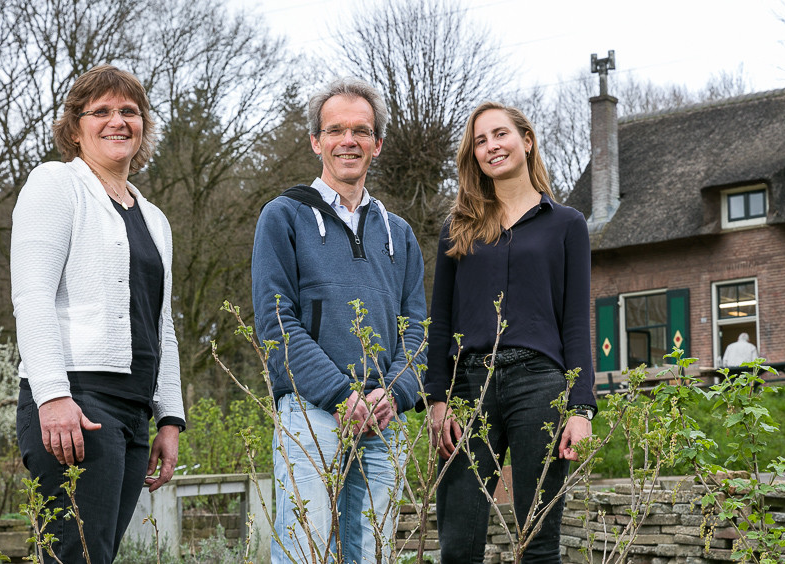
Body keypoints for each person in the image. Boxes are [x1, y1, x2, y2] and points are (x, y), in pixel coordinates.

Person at [11, 64, 185, 564]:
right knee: (74, 555)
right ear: (74, 128)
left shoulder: (154, 218)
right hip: (78, 403)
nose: (118, 121)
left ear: (144, 125)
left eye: (129, 111)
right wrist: (53, 397)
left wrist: (168, 418)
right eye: (102, 111)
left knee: (99, 555)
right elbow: (33, 295)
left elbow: (161, 324)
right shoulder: (55, 185)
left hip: (133, 413)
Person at [251, 77, 427, 564]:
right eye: (335, 130)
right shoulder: (283, 217)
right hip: (312, 413)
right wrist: (340, 395)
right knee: (306, 551)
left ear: (377, 143)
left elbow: (417, 328)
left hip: (384, 418)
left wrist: (394, 392)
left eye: (361, 131)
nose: (348, 141)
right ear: (315, 141)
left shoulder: (399, 233)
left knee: (372, 554)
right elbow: (275, 322)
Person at [426, 101, 597, 563]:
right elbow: (440, 320)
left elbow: (576, 322)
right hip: (469, 387)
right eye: (480, 141)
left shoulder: (566, 225)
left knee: (538, 541)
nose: (491, 146)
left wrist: (580, 407)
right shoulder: (457, 229)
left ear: (526, 140)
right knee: (458, 544)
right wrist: (437, 401)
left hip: (539, 385)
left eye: (499, 134)